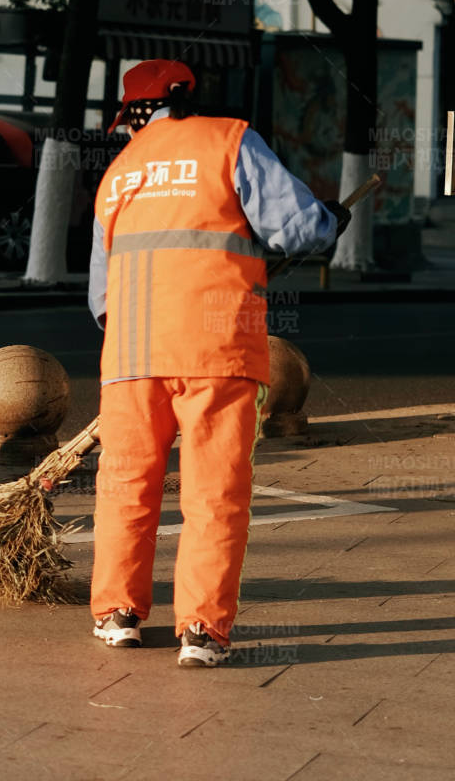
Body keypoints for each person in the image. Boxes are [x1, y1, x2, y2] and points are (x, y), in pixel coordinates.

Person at [88, 58, 350, 667]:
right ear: (186, 99)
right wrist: (332, 221)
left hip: (129, 355)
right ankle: (201, 633)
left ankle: (118, 615)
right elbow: (297, 230)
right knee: (214, 492)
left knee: (126, 486)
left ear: (133, 118)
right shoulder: (231, 140)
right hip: (217, 349)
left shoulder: (118, 173)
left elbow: (101, 298)